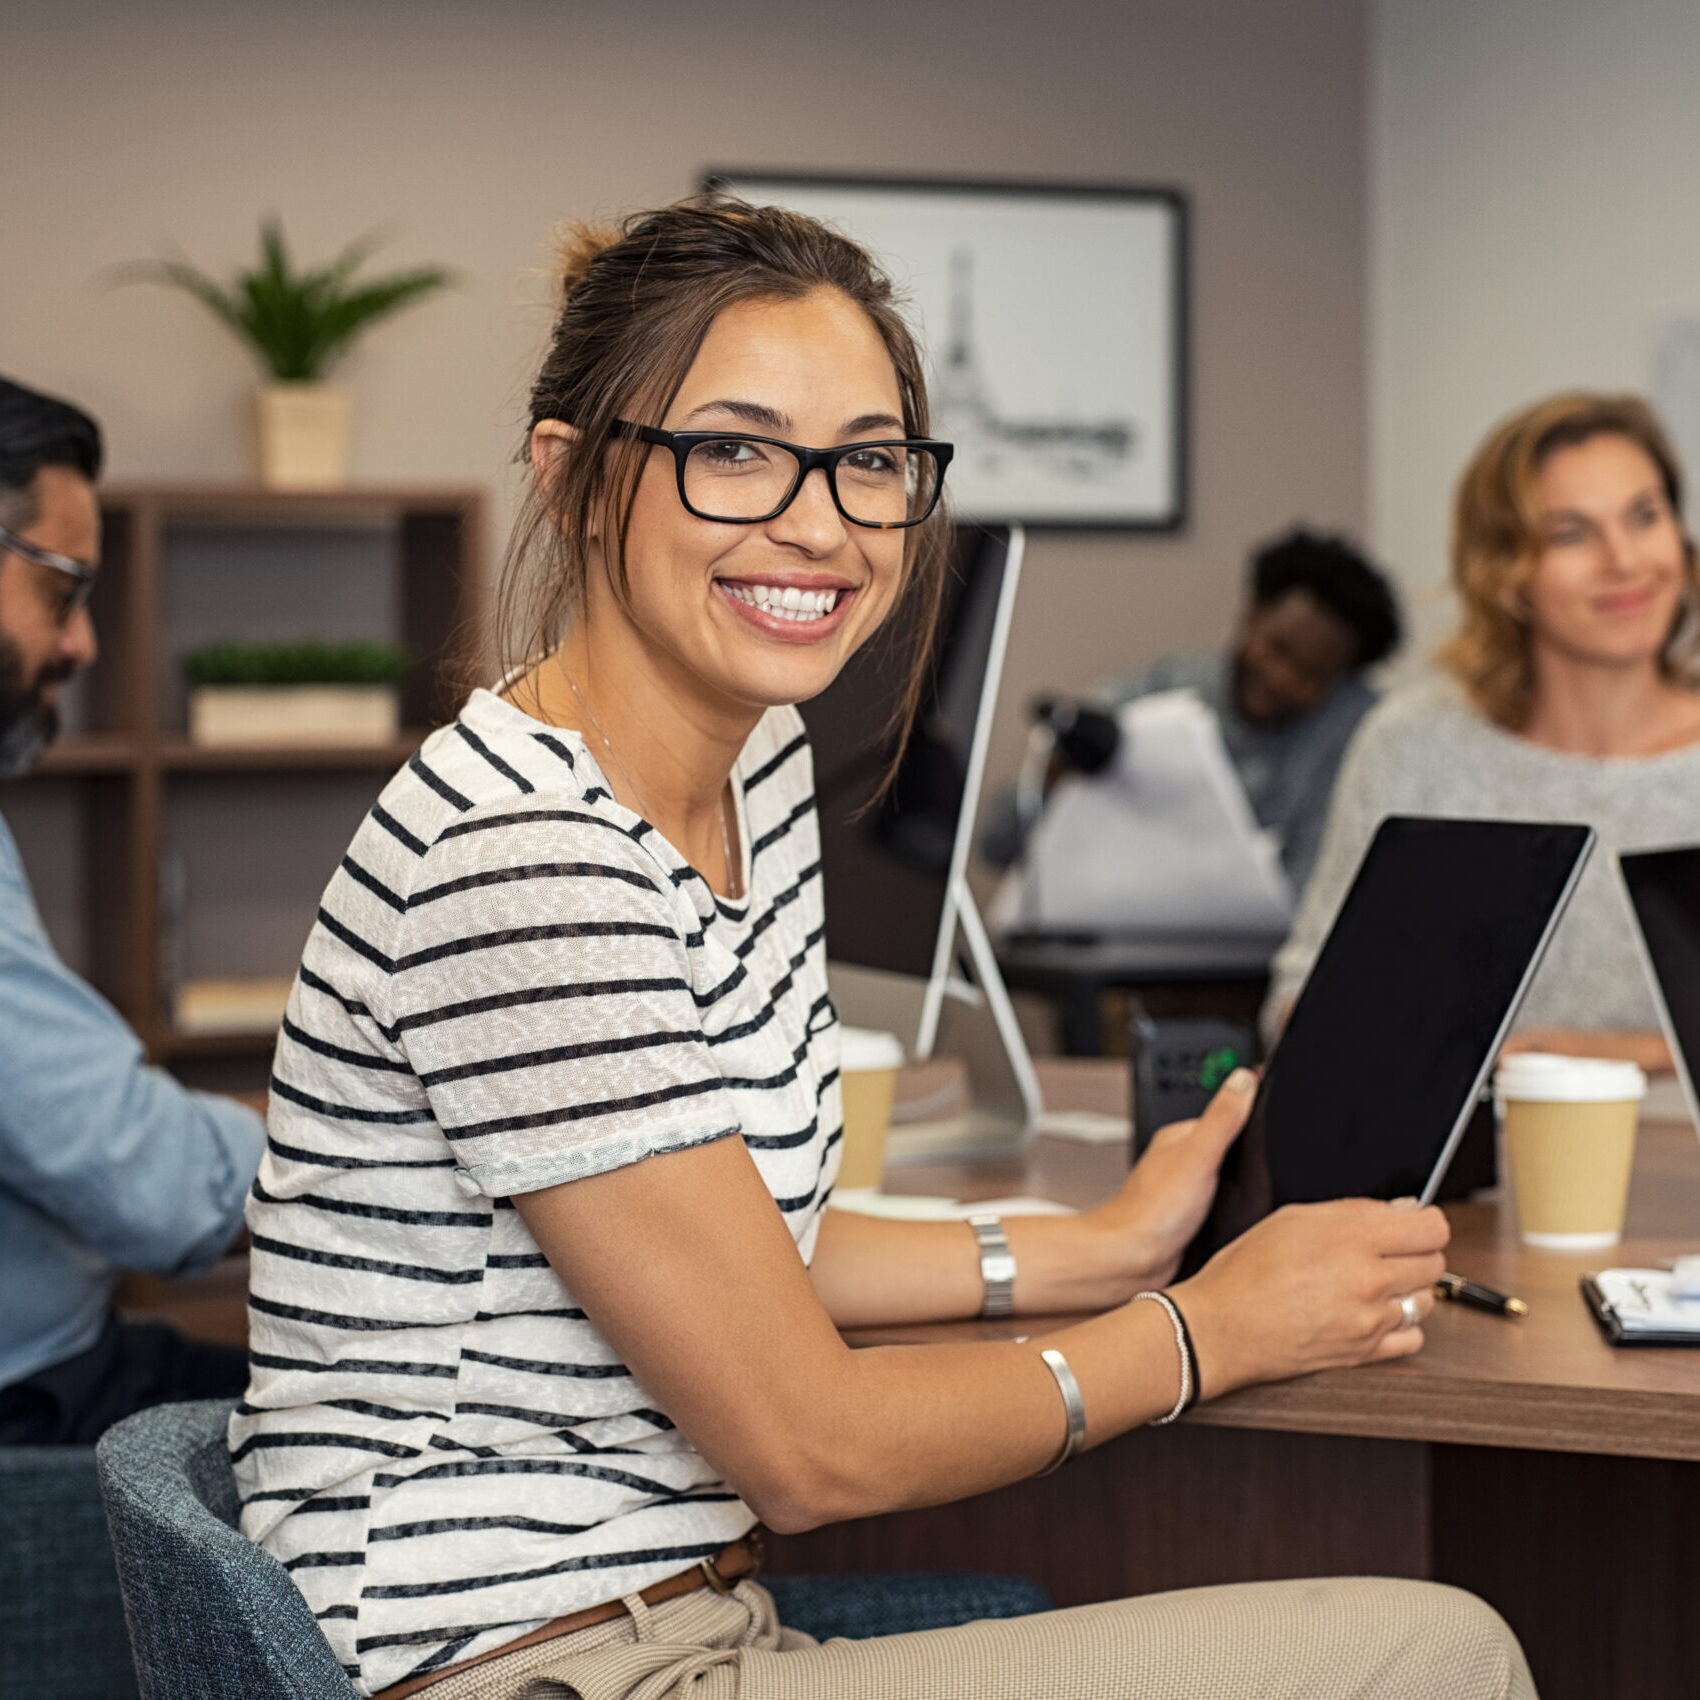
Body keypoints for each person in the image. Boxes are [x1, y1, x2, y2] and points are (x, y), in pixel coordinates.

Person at [232, 197, 1531, 1700]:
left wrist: (1092, 1247)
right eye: (732, 450)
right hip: (530, 1668)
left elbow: (741, 1250)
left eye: (866, 461)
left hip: (682, 1624)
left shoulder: (757, 764)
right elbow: (808, 1444)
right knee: (1440, 1652)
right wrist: (1204, 1331)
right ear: (576, 479)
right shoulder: (521, 857)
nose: (821, 523)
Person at [1267, 392, 1700, 1071]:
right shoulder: (1414, 746)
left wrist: (1599, 1056)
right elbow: (1302, 1001)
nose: (1624, 561)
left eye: (1644, 517)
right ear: (1506, 571)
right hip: (1461, 1167)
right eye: (1572, 533)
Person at [0, 376, 265, 1444]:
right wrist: (358, 1135)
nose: (84, 646)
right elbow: (151, 1186)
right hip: (36, 1414)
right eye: (63, 592)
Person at [985, 528, 1401, 898]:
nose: (1280, 679)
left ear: (1342, 680)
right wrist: (1056, 777)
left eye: (1310, 674)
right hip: (1123, 953)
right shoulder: (1158, 692)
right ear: (1252, 613)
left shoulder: (1356, 733)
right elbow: (996, 842)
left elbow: (1314, 898)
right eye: (1277, 649)